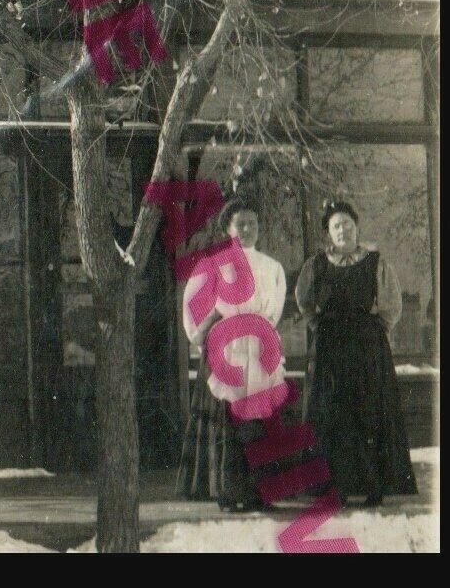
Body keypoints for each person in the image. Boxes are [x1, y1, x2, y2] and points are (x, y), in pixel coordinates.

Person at [296, 200, 417, 507]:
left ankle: (374, 486)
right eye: (337, 226)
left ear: (356, 227)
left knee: (369, 411)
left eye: (348, 224)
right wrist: (318, 325)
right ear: (329, 233)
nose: (343, 230)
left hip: (366, 348)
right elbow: (304, 301)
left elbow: (392, 305)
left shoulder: (375, 261)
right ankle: (338, 486)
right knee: (334, 414)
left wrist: (375, 331)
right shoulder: (318, 265)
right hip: (330, 350)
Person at [176, 197, 287, 512]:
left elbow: (275, 308)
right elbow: (193, 306)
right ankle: (227, 491)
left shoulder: (272, 266)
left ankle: (258, 493)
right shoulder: (212, 264)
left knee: (258, 420)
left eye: (252, 222)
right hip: (224, 347)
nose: (247, 229)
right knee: (226, 420)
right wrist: (208, 334)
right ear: (228, 228)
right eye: (241, 223)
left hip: (258, 345)